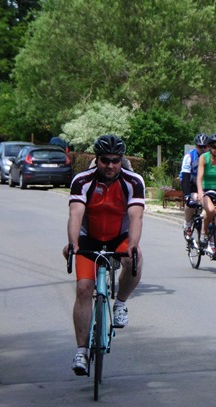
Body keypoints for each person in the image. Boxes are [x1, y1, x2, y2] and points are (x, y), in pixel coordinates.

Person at [63, 134, 145, 376]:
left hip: (119, 237)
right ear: (96, 159)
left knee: (135, 258)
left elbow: (136, 216)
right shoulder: (82, 180)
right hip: (89, 239)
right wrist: (73, 243)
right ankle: (81, 352)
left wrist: (132, 244)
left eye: (116, 160)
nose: (110, 166)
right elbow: (75, 214)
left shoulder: (133, 181)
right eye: (105, 160)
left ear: (122, 160)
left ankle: (120, 303)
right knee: (84, 289)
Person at [179, 133, 210, 239]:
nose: (202, 149)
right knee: (192, 201)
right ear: (196, 146)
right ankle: (187, 223)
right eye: (199, 147)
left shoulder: (212, 157)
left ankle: (205, 230)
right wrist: (187, 194)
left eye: (205, 147)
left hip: (205, 183)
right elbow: (186, 177)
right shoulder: (189, 157)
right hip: (190, 182)